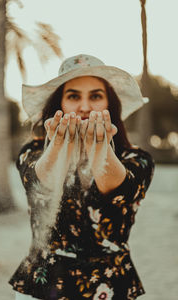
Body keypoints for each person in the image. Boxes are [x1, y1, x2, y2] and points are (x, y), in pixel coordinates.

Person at [9, 54, 154, 300]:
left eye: (96, 96)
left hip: (110, 285)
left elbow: (124, 188)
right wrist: (57, 147)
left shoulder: (137, 158)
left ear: (110, 104)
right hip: (43, 284)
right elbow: (37, 178)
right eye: (73, 96)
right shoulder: (33, 152)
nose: (85, 106)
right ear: (60, 104)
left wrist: (100, 150)